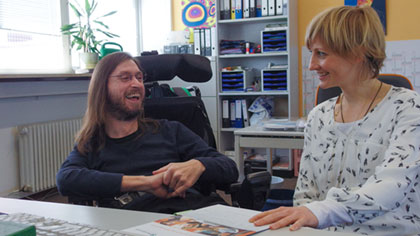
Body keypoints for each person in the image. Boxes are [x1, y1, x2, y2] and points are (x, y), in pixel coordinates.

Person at [250, 5, 420, 235]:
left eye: (321, 53)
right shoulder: (319, 116)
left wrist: (320, 212)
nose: (311, 65)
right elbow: (304, 195)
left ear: (358, 52)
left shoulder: (409, 108)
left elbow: (391, 187)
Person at [56, 52, 238, 213]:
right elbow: (66, 180)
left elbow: (229, 168)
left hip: (194, 213)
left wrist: (199, 165)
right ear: (102, 88)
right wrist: (147, 183)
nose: (137, 84)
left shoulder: (170, 130)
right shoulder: (93, 142)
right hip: (137, 219)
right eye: (125, 78)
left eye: (139, 77)